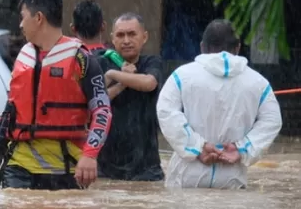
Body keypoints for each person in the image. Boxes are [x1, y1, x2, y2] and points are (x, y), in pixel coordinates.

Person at [0, 0, 112, 190]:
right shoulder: (23, 57)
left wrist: (90, 154)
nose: (21, 25)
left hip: (65, 168)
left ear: (39, 18)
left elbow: (102, 111)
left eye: (23, 17)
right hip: (18, 166)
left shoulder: (82, 59)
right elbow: (11, 110)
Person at [157, 19, 282, 189]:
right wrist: (242, 149)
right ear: (237, 48)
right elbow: (272, 121)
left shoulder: (181, 76)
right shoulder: (259, 83)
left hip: (187, 174)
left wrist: (197, 147)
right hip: (231, 176)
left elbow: (166, 111)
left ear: (202, 46)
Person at [97, 13, 165, 181]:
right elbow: (97, 97)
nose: (126, 40)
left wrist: (114, 74)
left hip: (146, 169)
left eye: (132, 34)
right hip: (106, 169)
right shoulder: (100, 63)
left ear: (144, 37)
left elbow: (149, 83)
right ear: (112, 39)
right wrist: (120, 80)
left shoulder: (152, 62)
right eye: (120, 35)